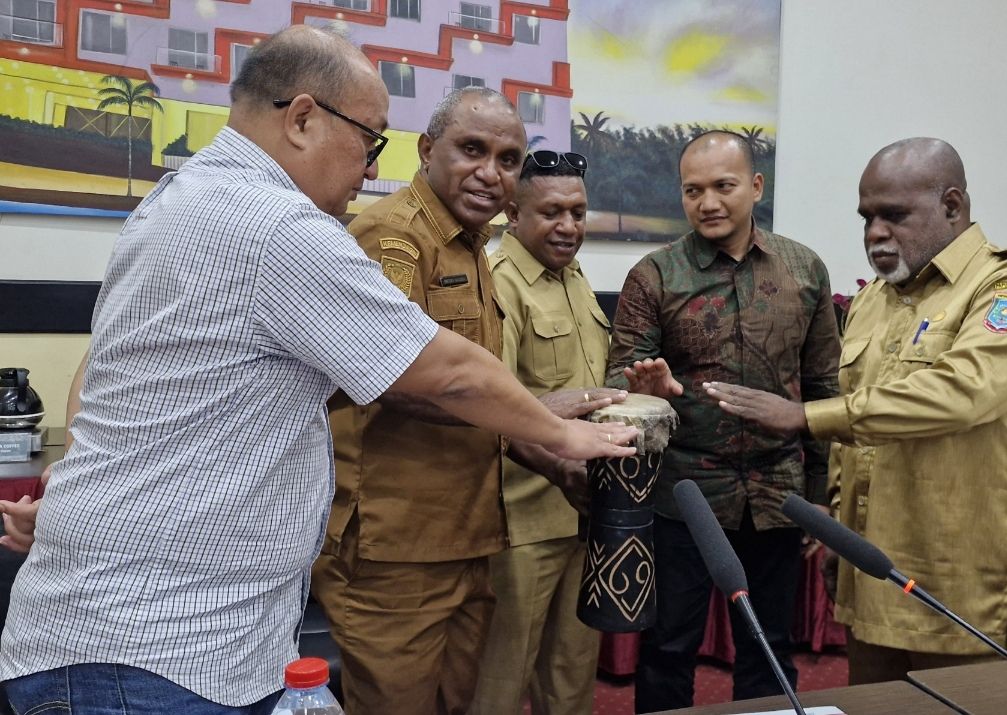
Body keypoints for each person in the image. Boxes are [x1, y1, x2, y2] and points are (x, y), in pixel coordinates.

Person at [0, 28, 635, 713]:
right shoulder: (277, 225)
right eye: (370, 141)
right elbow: (441, 370)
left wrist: (76, 496)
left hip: (144, 634)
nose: (368, 169)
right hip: (154, 651)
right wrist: (568, 438)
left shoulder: (174, 199)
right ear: (303, 118)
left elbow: (105, 365)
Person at [310, 89, 621, 714]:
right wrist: (548, 419)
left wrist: (551, 463)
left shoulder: (472, 247)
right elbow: (401, 380)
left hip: (471, 537)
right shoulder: (391, 237)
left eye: (508, 159)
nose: (490, 173)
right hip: (394, 550)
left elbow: (476, 414)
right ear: (427, 151)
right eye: (472, 150)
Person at [717, 138, 1007, 684]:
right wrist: (838, 535)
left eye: (894, 215)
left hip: (971, 597)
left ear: (953, 206)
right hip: (877, 581)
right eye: (867, 217)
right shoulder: (873, 302)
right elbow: (857, 443)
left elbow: (962, 391)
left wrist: (806, 416)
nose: (875, 233)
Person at [606, 130, 841, 712]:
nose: (707, 202)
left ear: (756, 187)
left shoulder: (804, 270)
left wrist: (819, 493)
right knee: (669, 647)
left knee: (768, 646)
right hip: (682, 495)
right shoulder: (654, 275)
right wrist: (646, 391)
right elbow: (615, 383)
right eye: (693, 190)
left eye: (723, 186)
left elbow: (822, 390)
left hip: (776, 494)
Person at [470, 150, 615, 715]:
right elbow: (491, 405)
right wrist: (556, 458)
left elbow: (588, 390)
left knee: (573, 677)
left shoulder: (574, 278)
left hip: (585, 510)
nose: (569, 227)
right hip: (523, 519)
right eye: (553, 212)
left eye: (578, 212)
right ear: (513, 211)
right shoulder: (499, 284)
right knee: (503, 679)